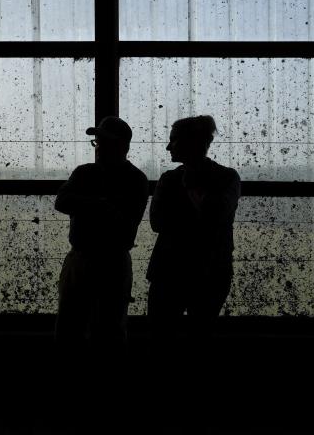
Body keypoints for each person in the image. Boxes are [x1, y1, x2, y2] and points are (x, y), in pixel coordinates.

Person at [54, 116, 149, 348]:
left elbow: (65, 201)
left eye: (105, 142)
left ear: (123, 146)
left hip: (91, 259)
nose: (99, 147)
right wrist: (102, 205)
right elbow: (62, 202)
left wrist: (86, 204)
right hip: (107, 260)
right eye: (98, 142)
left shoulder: (86, 174)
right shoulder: (135, 179)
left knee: (87, 327)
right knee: (102, 328)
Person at [146, 115, 240, 343]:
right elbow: (212, 217)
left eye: (173, 140)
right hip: (210, 271)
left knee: (161, 338)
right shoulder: (226, 178)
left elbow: (159, 222)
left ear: (191, 142)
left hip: (170, 270)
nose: (168, 146)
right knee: (200, 335)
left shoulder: (170, 180)